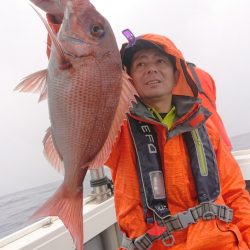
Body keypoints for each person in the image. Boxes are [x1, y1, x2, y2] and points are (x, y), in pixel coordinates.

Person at [30, 1, 250, 249]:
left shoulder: (206, 128)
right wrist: (60, 17)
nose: (151, 70)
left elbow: (234, 193)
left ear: (177, 73)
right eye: (141, 64)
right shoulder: (120, 129)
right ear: (129, 78)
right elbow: (77, 79)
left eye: (160, 62)